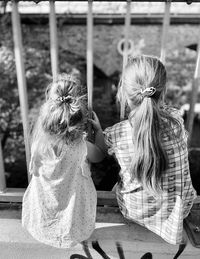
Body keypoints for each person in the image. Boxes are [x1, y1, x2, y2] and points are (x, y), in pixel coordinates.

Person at [104, 55, 197, 246]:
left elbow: (98, 153)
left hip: (136, 212)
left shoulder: (117, 133)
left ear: (124, 92)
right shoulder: (177, 122)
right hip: (181, 209)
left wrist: (97, 131)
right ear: (162, 92)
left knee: (115, 185)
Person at [22, 74, 105, 249]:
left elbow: (35, 172)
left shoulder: (38, 144)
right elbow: (100, 156)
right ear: (78, 113)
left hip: (44, 214)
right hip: (74, 218)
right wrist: (98, 132)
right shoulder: (83, 147)